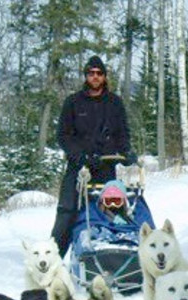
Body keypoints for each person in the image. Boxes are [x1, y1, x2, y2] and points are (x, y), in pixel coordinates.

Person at [50, 55, 136, 258]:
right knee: (68, 211)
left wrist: (127, 152)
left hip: (106, 167)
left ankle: (114, 256)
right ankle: (52, 260)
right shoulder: (73, 102)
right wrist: (79, 156)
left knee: (114, 210)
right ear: (86, 76)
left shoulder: (114, 103)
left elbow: (122, 133)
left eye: (99, 73)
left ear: (105, 77)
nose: (95, 77)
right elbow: (63, 135)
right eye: (91, 73)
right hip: (79, 167)